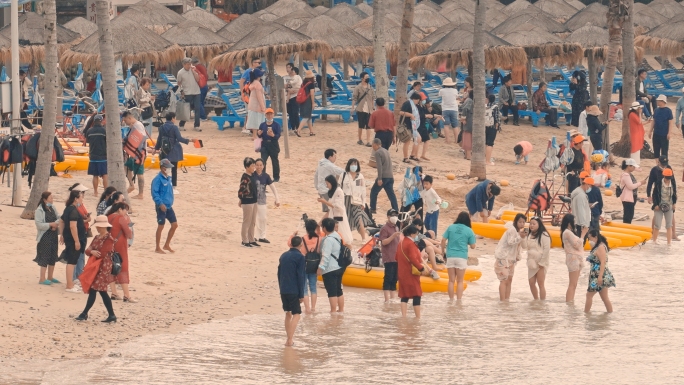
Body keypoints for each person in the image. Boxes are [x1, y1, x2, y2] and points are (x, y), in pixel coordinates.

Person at [75, 215, 117, 323]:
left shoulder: (109, 239)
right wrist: (92, 251)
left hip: (104, 267)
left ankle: (84, 313)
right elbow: (88, 251)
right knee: (102, 291)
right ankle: (112, 315)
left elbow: (101, 253)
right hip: (97, 266)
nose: (97, 228)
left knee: (94, 289)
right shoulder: (97, 237)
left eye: (99, 226)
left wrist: (92, 251)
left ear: (103, 227)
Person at [153, 112, 197, 189]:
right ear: (172, 118)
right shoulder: (174, 128)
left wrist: (155, 149)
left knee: (164, 169)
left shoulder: (161, 127)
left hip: (164, 150)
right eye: (175, 118)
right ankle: (174, 187)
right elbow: (179, 138)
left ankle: (164, 185)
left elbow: (159, 140)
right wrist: (190, 140)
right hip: (173, 151)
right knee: (174, 169)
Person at [288, 219, 322, 313]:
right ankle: (313, 308)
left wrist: (293, 235)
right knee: (313, 287)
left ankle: (307, 308)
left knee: (304, 287)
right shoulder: (319, 238)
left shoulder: (302, 239)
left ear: (306, 228)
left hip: (303, 264)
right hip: (315, 264)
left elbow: (290, 244)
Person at [397, 225, 431, 318]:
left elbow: (396, 257)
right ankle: (417, 318)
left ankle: (403, 316)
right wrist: (421, 268)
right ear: (412, 234)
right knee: (417, 295)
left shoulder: (401, 243)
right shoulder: (411, 244)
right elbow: (413, 258)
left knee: (404, 295)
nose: (417, 236)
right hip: (410, 273)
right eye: (416, 234)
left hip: (402, 272)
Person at [441, 212, 476, 301]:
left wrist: (442, 252)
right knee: (460, 281)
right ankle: (459, 301)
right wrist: (466, 241)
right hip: (461, 257)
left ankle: (451, 300)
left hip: (450, 256)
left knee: (451, 281)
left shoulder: (451, 227)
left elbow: (443, 240)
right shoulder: (469, 230)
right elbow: (473, 246)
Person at [277, 236, 306, 346]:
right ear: (300, 245)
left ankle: (288, 339)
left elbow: (279, 273)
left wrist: (281, 287)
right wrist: (301, 294)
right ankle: (289, 340)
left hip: (283, 288)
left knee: (288, 313)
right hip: (294, 289)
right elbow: (300, 276)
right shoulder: (300, 257)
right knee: (297, 314)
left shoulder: (283, 255)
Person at [106, 202, 135, 302]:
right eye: (125, 210)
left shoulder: (109, 217)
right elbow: (129, 234)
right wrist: (128, 222)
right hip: (120, 245)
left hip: (109, 245)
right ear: (120, 209)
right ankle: (126, 295)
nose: (126, 212)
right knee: (123, 268)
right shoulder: (121, 218)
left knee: (112, 268)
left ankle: (114, 293)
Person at [60, 190, 87, 292]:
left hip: (69, 238)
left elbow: (62, 221)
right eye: (81, 197)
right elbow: (72, 226)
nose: (82, 199)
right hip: (73, 239)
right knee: (71, 261)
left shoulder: (68, 209)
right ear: (76, 198)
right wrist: (76, 241)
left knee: (73, 261)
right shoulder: (73, 210)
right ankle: (69, 285)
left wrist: (62, 234)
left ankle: (70, 283)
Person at [494, 214, 525, 301]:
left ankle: (507, 300)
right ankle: (502, 301)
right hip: (503, 257)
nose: (522, 224)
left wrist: (518, 256)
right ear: (516, 222)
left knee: (509, 279)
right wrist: (520, 237)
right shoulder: (512, 230)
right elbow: (511, 242)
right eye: (520, 222)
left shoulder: (519, 232)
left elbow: (519, 246)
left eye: (523, 222)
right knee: (504, 280)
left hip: (511, 259)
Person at [317, 218, 345, 314]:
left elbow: (326, 255)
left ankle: (333, 312)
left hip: (330, 269)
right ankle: (341, 311)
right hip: (339, 267)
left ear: (324, 228)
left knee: (331, 292)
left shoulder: (328, 240)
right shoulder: (337, 236)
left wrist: (321, 268)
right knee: (338, 290)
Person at [152, 159, 179, 254]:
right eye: (168, 168)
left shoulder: (169, 178)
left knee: (174, 225)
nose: (170, 170)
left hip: (169, 206)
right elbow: (155, 193)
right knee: (161, 226)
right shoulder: (157, 179)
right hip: (161, 207)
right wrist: (160, 203)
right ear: (163, 168)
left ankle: (166, 244)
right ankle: (157, 247)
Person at [585, 229, 615, 313]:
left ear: (595, 237)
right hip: (598, 275)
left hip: (599, 275)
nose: (589, 240)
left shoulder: (601, 247)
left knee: (589, 295)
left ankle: (586, 315)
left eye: (590, 238)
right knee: (605, 298)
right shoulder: (598, 246)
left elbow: (603, 262)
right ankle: (609, 315)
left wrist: (600, 277)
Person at [341, 158, 371, 242]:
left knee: (358, 218)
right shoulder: (344, 175)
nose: (354, 166)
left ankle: (363, 238)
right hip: (345, 199)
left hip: (356, 200)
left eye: (355, 164)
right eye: (352, 164)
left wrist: (363, 202)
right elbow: (339, 187)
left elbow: (362, 190)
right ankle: (346, 237)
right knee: (346, 218)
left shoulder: (359, 176)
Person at [34, 192, 61, 285]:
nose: (52, 199)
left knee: (53, 255)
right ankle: (42, 278)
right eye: (50, 198)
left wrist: (55, 224)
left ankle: (50, 276)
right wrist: (50, 225)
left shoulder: (52, 207)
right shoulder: (39, 210)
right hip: (45, 236)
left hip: (53, 235)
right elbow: (38, 224)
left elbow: (59, 217)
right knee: (45, 255)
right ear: (45, 199)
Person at [318, 175, 354, 245]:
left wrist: (324, 201)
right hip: (332, 217)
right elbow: (330, 210)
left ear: (331, 182)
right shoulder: (333, 192)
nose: (327, 186)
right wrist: (320, 222)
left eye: (327, 184)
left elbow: (337, 206)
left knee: (342, 238)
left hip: (339, 218)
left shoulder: (339, 191)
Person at [523, 217, 551, 300]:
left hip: (541, 261)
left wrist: (542, 262)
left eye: (534, 224)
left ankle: (542, 303)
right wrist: (523, 237)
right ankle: (536, 300)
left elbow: (547, 250)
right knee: (531, 283)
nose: (531, 225)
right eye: (530, 224)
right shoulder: (529, 235)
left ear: (539, 224)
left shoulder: (544, 235)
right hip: (531, 261)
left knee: (540, 283)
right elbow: (524, 246)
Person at [370, 138, 399, 214]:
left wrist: (379, 179)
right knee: (391, 194)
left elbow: (379, 166)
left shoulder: (378, 152)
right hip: (390, 176)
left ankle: (373, 208)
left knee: (374, 191)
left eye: (373, 145)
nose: (372, 147)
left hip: (383, 176)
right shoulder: (386, 151)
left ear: (376, 145)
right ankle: (396, 209)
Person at [254, 158, 280, 244]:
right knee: (254, 219)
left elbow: (273, 188)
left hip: (262, 200)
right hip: (253, 200)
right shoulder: (252, 175)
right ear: (254, 165)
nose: (259, 167)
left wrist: (277, 198)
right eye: (257, 165)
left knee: (263, 218)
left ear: (263, 166)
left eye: (260, 165)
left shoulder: (266, 176)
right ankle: (254, 236)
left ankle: (262, 236)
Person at [69, 183, 91, 282]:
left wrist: (87, 218)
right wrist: (86, 220)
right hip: (78, 233)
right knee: (76, 257)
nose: (84, 195)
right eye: (82, 193)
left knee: (80, 256)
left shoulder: (80, 204)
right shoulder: (73, 207)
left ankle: (79, 275)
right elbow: (74, 222)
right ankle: (75, 277)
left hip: (83, 232)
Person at [122, 111, 147, 199]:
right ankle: (131, 185)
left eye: (125, 120)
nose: (125, 122)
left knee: (139, 173)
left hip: (139, 154)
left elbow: (140, 139)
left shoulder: (138, 125)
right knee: (127, 166)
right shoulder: (133, 126)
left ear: (129, 118)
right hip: (134, 154)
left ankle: (140, 194)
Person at [561, 214, 585, 302]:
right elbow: (577, 244)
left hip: (575, 259)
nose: (575, 223)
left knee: (574, 284)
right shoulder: (567, 232)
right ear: (569, 222)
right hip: (573, 259)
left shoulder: (569, 232)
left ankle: (571, 302)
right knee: (572, 284)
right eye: (573, 221)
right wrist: (583, 234)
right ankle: (569, 303)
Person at [314, 149, 345, 217]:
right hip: (326, 190)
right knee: (331, 210)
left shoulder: (321, 163)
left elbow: (316, 175)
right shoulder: (328, 165)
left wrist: (317, 187)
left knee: (328, 210)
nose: (335, 158)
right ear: (330, 157)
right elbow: (340, 171)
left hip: (321, 189)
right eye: (334, 156)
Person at [379, 209, 401, 302]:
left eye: (396, 215)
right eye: (392, 215)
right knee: (388, 277)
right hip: (388, 257)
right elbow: (383, 242)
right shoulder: (384, 228)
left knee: (394, 278)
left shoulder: (396, 227)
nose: (395, 217)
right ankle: (386, 299)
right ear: (388, 217)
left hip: (396, 257)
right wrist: (393, 236)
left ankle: (393, 299)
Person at [652, 167, 676, 245]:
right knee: (657, 225)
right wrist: (655, 204)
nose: (668, 179)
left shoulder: (672, 183)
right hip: (659, 206)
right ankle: (654, 241)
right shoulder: (658, 183)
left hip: (669, 205)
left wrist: (674, 203)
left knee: (669, 225)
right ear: (663, 176)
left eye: (669, 178)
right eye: (667, 178)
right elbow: (654, 195)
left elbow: (674, 194)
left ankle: (669, 243)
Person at [176, 57, 202, 132]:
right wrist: (181, 92)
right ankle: (181, 125)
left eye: (190, 64)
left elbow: (197, 79)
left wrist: (193, 71)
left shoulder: (193, 69)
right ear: (184, 65)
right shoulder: (180, 72)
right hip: (187, 93)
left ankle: (197, 125)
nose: (189, 66)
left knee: (197, 109)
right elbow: (179, 83)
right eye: (187, 64)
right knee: (187, 109)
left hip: (196, 92)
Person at [238, 157, 259, 248]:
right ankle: (244, 240)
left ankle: (251, 239)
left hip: (254, 200)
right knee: (247, 221)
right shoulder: (245, 177)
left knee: (253, 221)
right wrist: (241, 199)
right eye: (252, 165)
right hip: (247, 201)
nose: (254, 167)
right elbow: (241, 190)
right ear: (247, 167)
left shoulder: (253, 175)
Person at [351, 72, 376, 146]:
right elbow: (354, 98)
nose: (368, 78)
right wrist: (352, 107)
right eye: (366, 77)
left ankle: (368, 141)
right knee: (361, 125)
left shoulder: (370, 88)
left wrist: (373, 107)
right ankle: (360, 139)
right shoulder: (358, 88)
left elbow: (372, 98)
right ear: (362, 78)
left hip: (369, 109)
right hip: (361, 109)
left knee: (369, 126)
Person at [619, 158, 647, 223]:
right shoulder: (626, 175)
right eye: (633, 166)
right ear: (629, 166)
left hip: (630, 197)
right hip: (628, 198)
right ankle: (626, 229)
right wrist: (641, 183)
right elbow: (630, 186)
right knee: (628, 216)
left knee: (629, 215)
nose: (634, 168)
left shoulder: (628, 174)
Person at [86, 115, 108, 195]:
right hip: (103, 155)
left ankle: (95, 192)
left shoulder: (89, 131)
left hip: (92, 155)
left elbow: (88, 141)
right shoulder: (104, 131)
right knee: (105, 175)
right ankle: (106, 192)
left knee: (95, 175)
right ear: (101, 121)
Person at [258, 108, 281, 182]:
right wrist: (259, 134)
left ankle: (276, 177)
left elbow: (278, 136)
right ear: (265, 115)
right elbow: (259, 136)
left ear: (273, 115)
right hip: (264, 144)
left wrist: (273, 135)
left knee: (275, 161)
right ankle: (262, 176)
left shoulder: (276, 125)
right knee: (263, 161)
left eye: (271, 114)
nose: (269, 116)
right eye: (268, 114)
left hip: (273, 145)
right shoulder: (262, 125)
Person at [398, 92, 422, 163]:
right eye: (418, 100)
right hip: (407, 125)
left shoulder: (414, 105)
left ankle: (412, 155)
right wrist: (410, 115)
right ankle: (405, 157)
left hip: (413, 125)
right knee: (407, 141)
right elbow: (401, 112)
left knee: (418, 139)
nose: (418, 101)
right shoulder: (407, 103)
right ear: (415, 99)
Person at [649, 94, 674, 159]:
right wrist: (650, 131)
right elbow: (654, 121)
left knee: (664, 151)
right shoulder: (656, 110)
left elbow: (670, 122)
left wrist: (669, 133)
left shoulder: (668, 111)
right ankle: (657, 165)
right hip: (656, 133)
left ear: (662, 101)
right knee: (656, 151)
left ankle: (664, 164)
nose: (657, 102)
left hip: (664, 134)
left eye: (658, 101)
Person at [410, 96, 433, 161]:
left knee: (427, 139)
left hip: (422, 124)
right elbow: (419, 115)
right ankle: (415, 155)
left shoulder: (422, 106)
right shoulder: (416, 107)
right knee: (418, 140)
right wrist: (427, 115)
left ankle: (422, 155)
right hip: (418, 124)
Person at [438, 77, 460, 143]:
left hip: (445, 109)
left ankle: (447, 140)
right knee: (455, 125)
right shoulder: (455, 91)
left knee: (446, 125)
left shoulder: (442, 90)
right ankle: (456, 140)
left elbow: (439, 95)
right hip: (454, 109)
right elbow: (457, 97)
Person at [246, 68, 266, 139]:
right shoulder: (257, 84)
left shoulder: (253, 83)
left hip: (252, 105)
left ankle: (254, 135)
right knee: (258, 120)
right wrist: (263, 107)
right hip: (257, 105)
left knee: (254, 120)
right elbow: (259, 97)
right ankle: (256, 136)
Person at [295, 70, 317, 136]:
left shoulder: (303, 83)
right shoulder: (311, 84)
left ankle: (311, 131)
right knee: (306, 117)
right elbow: (312, 94)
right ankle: (298, 130)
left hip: (302, 101)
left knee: (309, 116)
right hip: (308, 101)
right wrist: (313, 103)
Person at [283, 63, 302, 131]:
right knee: (290, 113)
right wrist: (289, 90)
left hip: (295, 96)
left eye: (289, 67)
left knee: (295, 112)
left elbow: (300, 86)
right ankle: (292, 127)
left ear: (292, 68)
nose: (287, 69)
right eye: (286, 67)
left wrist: (295, 90)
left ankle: (297, 127)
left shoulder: (297, 77)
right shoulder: (285, 77)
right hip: (288, 96)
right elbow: (285, 86)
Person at [485, 94, 500, 165]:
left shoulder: (485, 106)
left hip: (485, 126)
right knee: (490, 144)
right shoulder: (495, 107)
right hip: (492, 126)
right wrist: (497, 126)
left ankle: (485, 158)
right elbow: (496, 118)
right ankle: (487, 161)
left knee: (485, 143)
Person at [460, 91, 474, 159]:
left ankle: (466, 155)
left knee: (466, 135)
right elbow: (465, 109)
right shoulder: (470, 101)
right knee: (468, 136)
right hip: (469, 119)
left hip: (467, 119)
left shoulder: (468, 100)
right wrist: (464, 118)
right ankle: (468, 155)